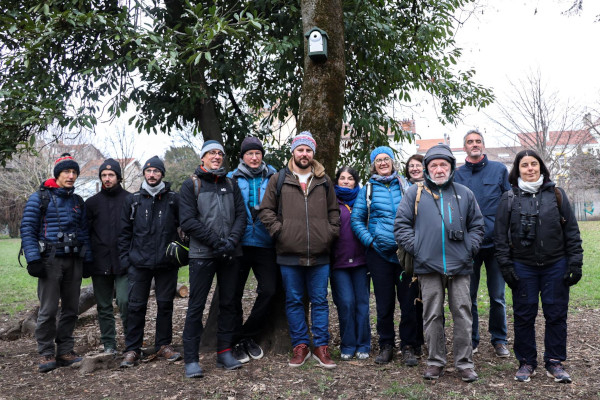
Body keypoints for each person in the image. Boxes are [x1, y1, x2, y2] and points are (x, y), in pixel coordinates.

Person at [394, 144, 484, 383]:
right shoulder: (414, 194)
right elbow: (401, 226)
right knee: (432, 315)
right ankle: (435, 361)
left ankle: (464, 363)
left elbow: (477, 226)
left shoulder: (465, 193)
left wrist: (469, 249)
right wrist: (419, 250)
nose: (439, 169)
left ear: (451, 167)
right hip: (428, 266)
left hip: (461, 265)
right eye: (434, 165)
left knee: (463, 314)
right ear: (426, 169)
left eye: (444, 164)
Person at [494, 149, 583, 384]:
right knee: (524, 315)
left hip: (556, 264)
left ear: (541, 167)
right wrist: (505, 266)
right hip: (523, 266)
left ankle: (554, 361)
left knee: (556, 314)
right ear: (518, 170)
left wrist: (575, 261)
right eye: (525, 165)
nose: (530, 168)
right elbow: (500, 237)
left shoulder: (556, 194)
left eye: (534, 164)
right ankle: (526, 362)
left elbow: (571, 231)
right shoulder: (509, 198)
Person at [259, 131, 340, 369]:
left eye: (308, 150)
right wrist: (280, 232)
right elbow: (266, 210)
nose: (304, 154)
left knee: (320, 301)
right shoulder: (280, 178)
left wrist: (330, 233)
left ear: (313, 153)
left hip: (320, 252)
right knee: (294, 301)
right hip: (288, 253)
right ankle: (300, 346)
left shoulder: (324, 180)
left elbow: (334, 212)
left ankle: (321, 347)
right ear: (293, 152)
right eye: (300, 149)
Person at [179, 140, 247, 377]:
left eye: (220, 153)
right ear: (203, 158)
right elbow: (187, 221)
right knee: (196, 306)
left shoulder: (231, 183)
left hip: (230, 253)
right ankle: (191, 359)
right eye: (211, 153)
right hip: (202, 255)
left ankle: (224, 353)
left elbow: (241, 217)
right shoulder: (191, 185)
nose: (217, 156)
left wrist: (230, 242)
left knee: (228, 303)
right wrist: (216, 242)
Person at [351, 146, 423, 366]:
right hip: (379, 255)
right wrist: (371, 241)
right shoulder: (367, 190)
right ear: (374, 164)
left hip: (405, 255)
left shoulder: (407, 187)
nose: (383, 163)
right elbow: (356, 219)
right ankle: (386, 345)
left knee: (408, 303)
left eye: (386, 159)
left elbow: (419, 216)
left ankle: (408, 346)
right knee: (384, 304)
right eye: (378, 160)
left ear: (393, 162)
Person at [20, 153, 92, 372]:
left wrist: (87, 259)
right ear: (58, 174)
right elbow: (27, 230)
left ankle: (66, 351)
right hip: (50, 261)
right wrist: (33, 260)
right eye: (66, 172)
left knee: (71, 309)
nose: (71, 176)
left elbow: (84, 233)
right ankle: (46, 352)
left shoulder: (78, 201)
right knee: (48, 310)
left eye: (74, 173)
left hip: (74, 261)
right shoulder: (39, 198)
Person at [118, 156, 182, 368]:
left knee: (165, 306)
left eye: (156, 171)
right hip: (139, 264)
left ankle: (163, 345)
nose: (152, 174)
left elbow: (185, 228)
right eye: (149, 171)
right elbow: (123, 233)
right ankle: (133, 349)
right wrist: (127, 260)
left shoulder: (174, 199)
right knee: (136, 307)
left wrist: (180, 252)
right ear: (144, 174)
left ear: (162, 174)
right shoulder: (133, 200)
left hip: (166, 264)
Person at [454, 130, 511, 357]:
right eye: (470, 142)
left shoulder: (499, 170)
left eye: (478, 141)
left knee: (498, 296)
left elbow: (509, 203)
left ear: (483, 145)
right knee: (469, 297)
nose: (474, 144)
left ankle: (499, 339)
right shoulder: (457, 175)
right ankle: (473, 339)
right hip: (469, 246)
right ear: (465, 147)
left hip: (497, 244)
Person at [227, 137, 278, 364]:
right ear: (242, 156)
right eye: (250, 154)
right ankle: (236, 340)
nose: (254, 157)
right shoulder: (231, 178)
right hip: (239, 243)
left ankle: (247, 336)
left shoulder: (274, 176)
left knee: (269, 290)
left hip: (265, 243)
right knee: (233, 294)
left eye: (258, 153)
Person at [84, 158, 130, 355]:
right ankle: (109, 344)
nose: (107, 178)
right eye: (104, 175)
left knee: (125, 301)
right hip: (100, 261)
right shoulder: (92, 203)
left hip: (124, 261)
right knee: (103, 306)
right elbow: (85, 233)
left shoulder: (130, 199)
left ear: (118, 177)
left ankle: (132, 342)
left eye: (111, 175)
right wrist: (87, 259)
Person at [330, 166, 370, 361]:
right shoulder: (331, 202)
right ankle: (348, 344)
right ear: (337, 181)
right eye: (342, 178)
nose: (346, 181)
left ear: (356, 181)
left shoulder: (363, 200)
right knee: (346, 303)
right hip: (339, 262)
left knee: (362, 304)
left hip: (362, 261)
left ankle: (363, 344)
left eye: (350, 178)